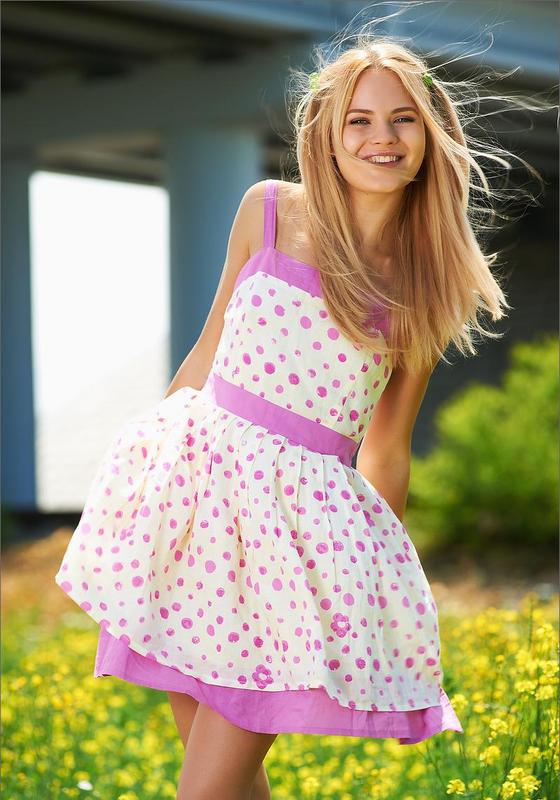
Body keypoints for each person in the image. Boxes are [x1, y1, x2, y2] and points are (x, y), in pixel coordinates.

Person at [55, 32, 537, 800]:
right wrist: (149, 483)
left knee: (206, 790)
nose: (381, 137)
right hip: (197, 508)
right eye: (359, 120)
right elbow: (206, 352)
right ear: (328, 134)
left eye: (403, 119)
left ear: (429, 135)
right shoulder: (269, 211)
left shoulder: (423, 290)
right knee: (228, 784)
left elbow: (387, 450)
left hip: (295, 549)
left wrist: (373, 580)